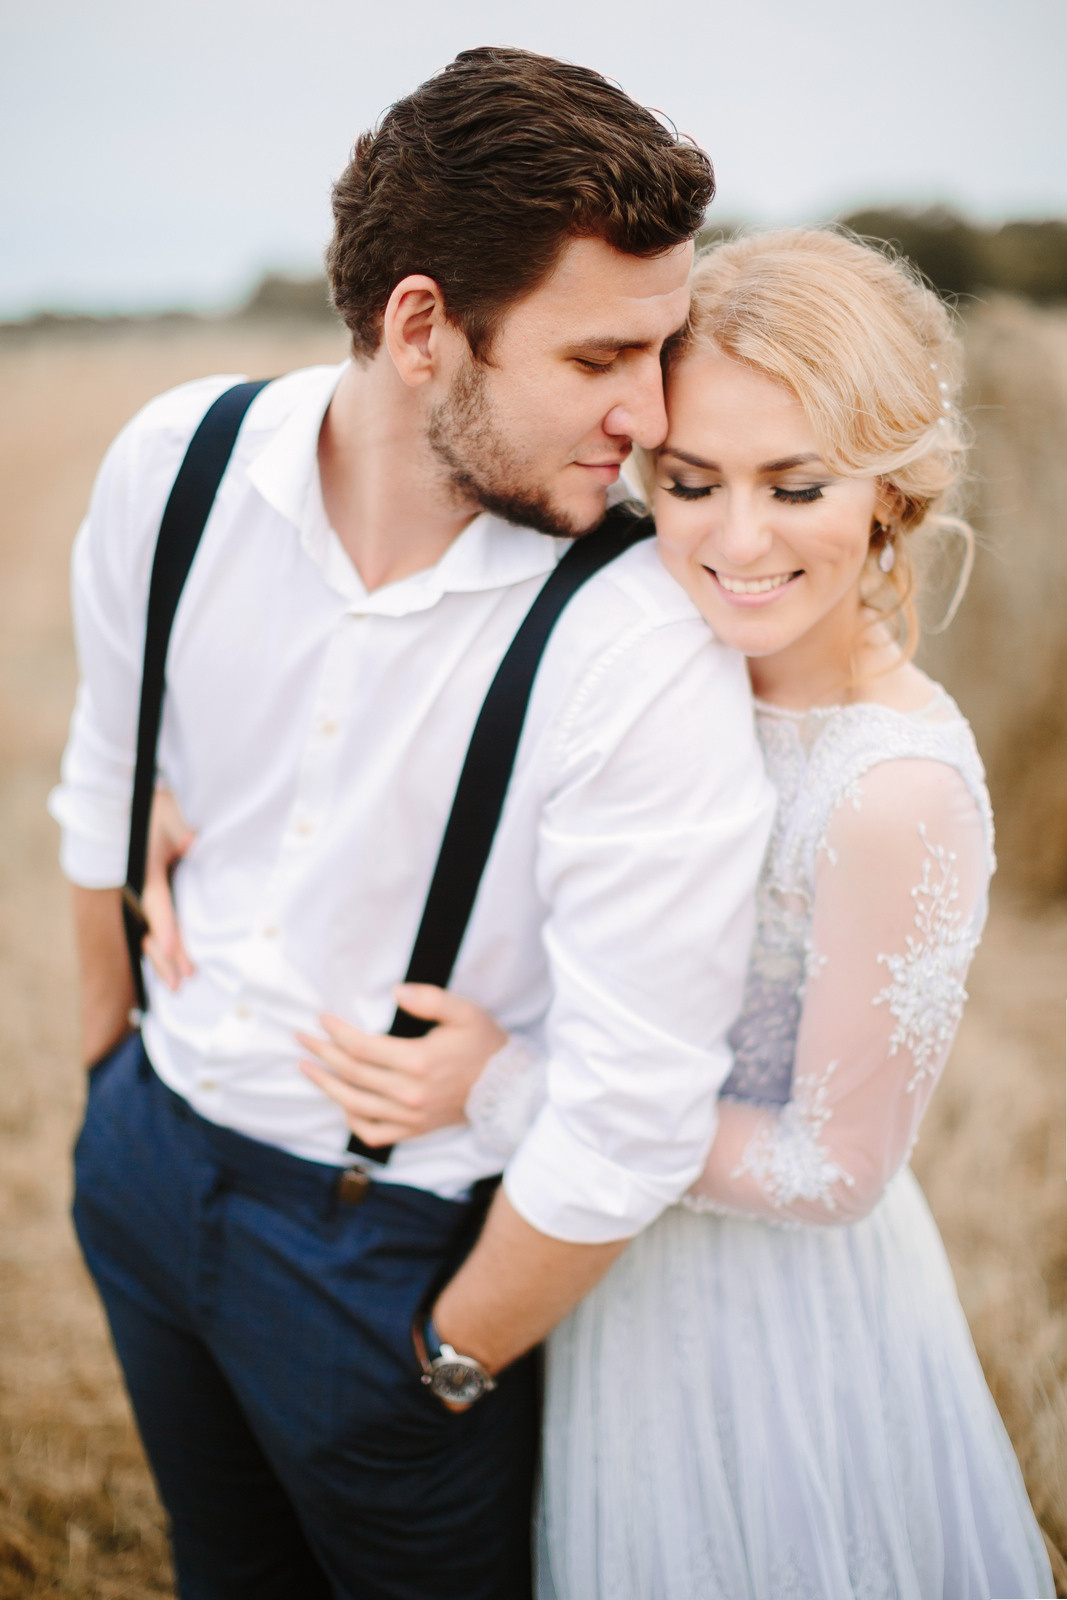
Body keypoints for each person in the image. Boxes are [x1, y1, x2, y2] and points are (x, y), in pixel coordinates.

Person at [49, 46, 776, 1600]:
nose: (648, 418)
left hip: (390, 1257)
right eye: (599, 362)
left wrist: (442, 1366)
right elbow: (100, 787)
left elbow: (639, 1104)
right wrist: (109, 1094)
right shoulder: (173, 467)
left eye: (665, 353)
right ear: (424, 327)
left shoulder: (638, 641)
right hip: (148, 1167)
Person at [276, 229, 1055, 1597]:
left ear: (894, 491)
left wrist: (511, 1088)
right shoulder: (643, 658)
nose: (738, 540)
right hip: (593, 1268)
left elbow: (836, 1171)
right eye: (692, 484)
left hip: (761, 1327)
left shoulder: (893, 790)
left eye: (797, 485)